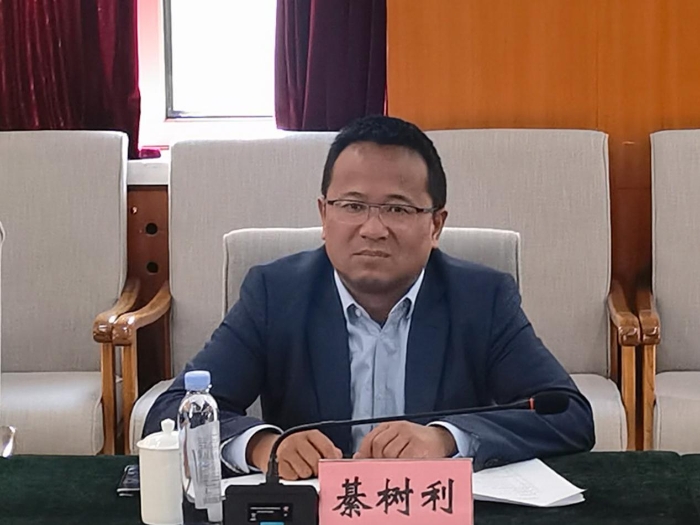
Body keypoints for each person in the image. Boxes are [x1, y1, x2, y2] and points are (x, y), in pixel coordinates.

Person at [144, 115, 595, 480]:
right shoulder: (274, 294)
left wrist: (447, 439)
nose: (373, 229)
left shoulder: (482, 299)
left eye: (397, 208)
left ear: (435, 225)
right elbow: (170, 412)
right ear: (324, 214)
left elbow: (568, 414)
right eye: (353, 205)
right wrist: (263, 446)